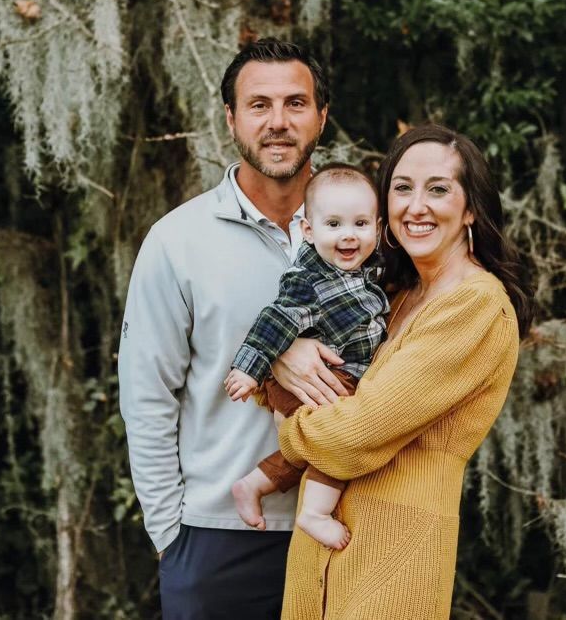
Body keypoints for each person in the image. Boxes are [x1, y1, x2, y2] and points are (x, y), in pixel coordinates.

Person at [118, 38, 348, 619]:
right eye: (258, 104)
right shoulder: (177, 241)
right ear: (231, 118)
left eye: (296, 104)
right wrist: (171, 534)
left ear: (322, 116)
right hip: (218, 536)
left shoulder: (366, 231)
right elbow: (147, 394)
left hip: (350, 523)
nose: (278, 122)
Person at [271, 123, 535, 619]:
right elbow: (308, 374)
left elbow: (353, 434)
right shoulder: (390, 297)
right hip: (319, 558)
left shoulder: (475, 306)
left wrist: (291, 427)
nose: (416, 206)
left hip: (392, 559)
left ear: (471, 207)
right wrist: (288, 354)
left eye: (438, 189)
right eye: (401, 188)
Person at [224, 165, 389, 551]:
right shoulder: (310, 280)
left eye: (361, 224)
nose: (348, 234)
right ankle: (314, 512)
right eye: (333, 224)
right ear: (309, 231)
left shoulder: (365, 268)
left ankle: (252, 485)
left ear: (377, 228)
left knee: (303, 452)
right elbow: (277, 318)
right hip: (319, 380)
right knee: (340, 442)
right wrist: (249, 369)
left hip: (330, 378)